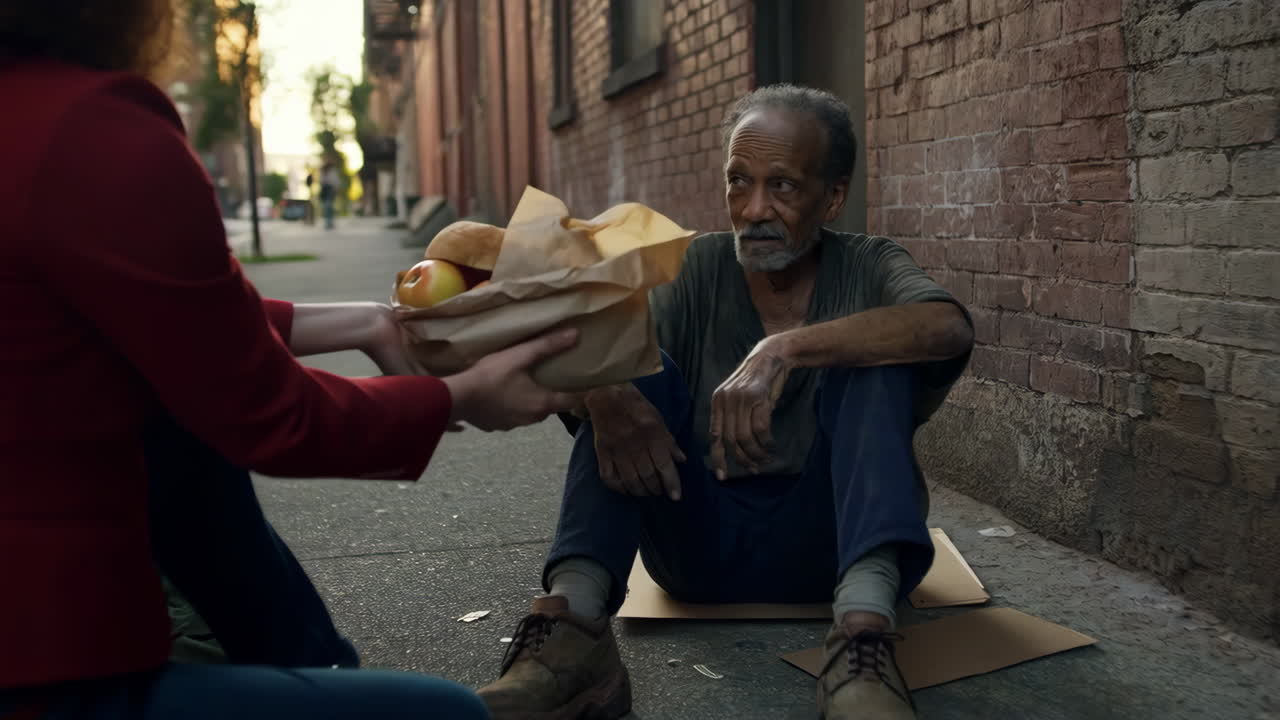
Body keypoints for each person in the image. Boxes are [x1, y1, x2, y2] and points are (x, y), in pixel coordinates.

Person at [0, 1, 579, 717]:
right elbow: (268, 414)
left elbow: (177, 319)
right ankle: (313, 672)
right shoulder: (90, 130)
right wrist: (460, 395)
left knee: (180, 435)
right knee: (447, 713)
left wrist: (366, 322)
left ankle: (310, 667)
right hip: (45, 666)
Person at [476, 85, 975, 720]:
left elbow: (946, 326)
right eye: (739, 181)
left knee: (873, 358)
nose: (754, 208)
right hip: (698, 547)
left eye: (784, 186)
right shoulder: (696, 266)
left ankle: (863, 647)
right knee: (632, 372)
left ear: (834, 196)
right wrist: (605, 393)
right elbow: (556, 356)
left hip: (834, 548)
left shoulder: (870, 263)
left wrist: (785, 350)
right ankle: (572, 638)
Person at [319, 160, 341, 230]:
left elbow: (335, 181)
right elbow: (321, 181)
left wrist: (336, 188)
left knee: (329, 206)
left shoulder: (332, 171)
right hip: (325, 190)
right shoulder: (323, 171)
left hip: (330, 190)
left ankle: (330, 222)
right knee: (327, 206)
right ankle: (328, 222)